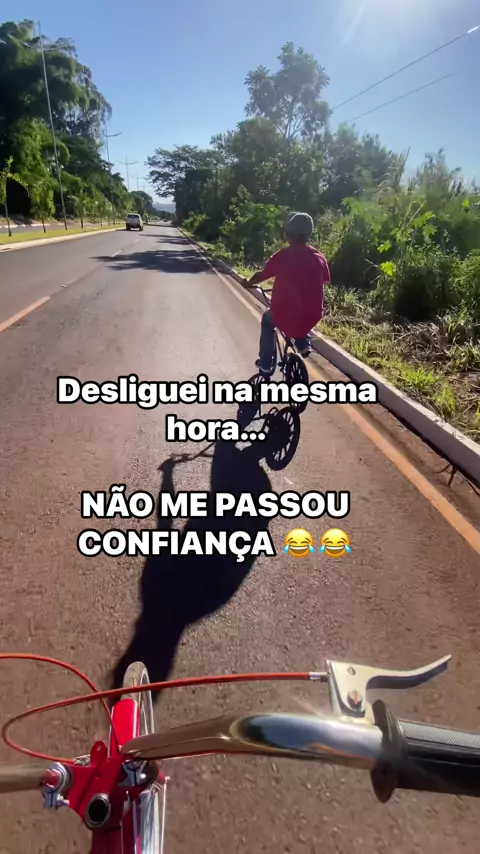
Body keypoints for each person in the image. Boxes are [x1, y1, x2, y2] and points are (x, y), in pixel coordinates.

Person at [243, 212, 330, 376]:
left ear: (290, 233)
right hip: (313, 314)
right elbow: (323, 281)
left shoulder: (282, 256)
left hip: (284, 312)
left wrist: (248, 283)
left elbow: (262, 275)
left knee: (268, 319)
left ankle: (265, 363)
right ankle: (303, 343)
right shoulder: (319, 257)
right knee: (301, 317)